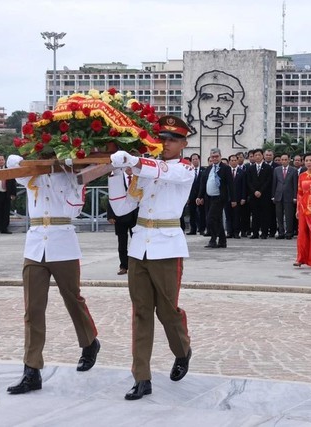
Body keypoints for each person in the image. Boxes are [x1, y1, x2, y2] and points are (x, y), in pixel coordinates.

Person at [108, 115, 193, 401]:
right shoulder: (146, 169)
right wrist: (115, 173)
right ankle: (141, 377)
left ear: (183, 143)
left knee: (167, 310)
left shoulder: (184, 169)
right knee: (141, 312)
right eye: (162, 138)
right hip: (139, 247)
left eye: (172, 139)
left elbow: (162, 171)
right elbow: (122, 207)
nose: (166, 143)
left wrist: (133, 162)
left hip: (167, 248)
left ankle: (182, 351)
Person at [5, 152, 100, 395]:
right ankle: (31, 369)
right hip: (36, 245)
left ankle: (90, 342)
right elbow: (11, 162)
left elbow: (76, 209)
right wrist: (33, 163)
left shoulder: (71, 175)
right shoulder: (30, 174)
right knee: (33, 309)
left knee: (73, 298)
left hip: (63, 243)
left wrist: (69, 173)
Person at [197, 147, 234, 249]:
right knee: (217, 219)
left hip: (220, 197)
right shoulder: (208, 169)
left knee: (210, 218)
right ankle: (222, 241)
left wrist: (233, 199)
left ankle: (213, 239)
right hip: (209, 197)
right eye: (212, 157)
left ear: (220, 157)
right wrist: (200, 196)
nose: (214, 158)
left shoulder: (225, 168)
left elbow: (230, 184)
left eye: (216, 156)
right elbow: (203, 184)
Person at [107, 167, 138, 274]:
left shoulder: (139, 178)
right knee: (122, 243)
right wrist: (110, 215)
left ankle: (136, 265)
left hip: (136, 216)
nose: (130, 169)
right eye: (127, 166)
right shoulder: (117, 178)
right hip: (120, 216)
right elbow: (111, 195)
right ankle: (124, 266)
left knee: (137, 242)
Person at [246, 148, 273, 239]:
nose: (257, 157)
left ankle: (264, 233)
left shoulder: (268, 168)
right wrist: (254, 191)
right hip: (253, 195)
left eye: (259, 155)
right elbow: (248, 182)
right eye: (255, 155)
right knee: (254, 215)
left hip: (264, 195)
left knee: (264, 214)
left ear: (262, 156)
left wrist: (260, 191)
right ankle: (255, 233)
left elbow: (268, 181)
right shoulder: (250, 168)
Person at [272, 153, 297, 239]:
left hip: (289, 196)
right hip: (278, 196)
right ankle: (281, 233)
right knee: (279, 216)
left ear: (289, 160)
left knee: (289, 215)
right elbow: (274, 183)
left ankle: (289, 233)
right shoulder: (276, 170)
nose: (284, 161)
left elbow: (295, 184)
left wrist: (295, 197)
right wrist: (273, 195)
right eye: (282, 160)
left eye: (286, 159)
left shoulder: (293, 170)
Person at [226, 154, 246, 238]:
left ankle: (236, 232)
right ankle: (229, 232)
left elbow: (244, 186)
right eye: (232, 160)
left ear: (237, 161)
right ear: (229, 162)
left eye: (235, 160)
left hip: (238, 198)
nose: (233, 162)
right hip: (227, 197)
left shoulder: (242, 172)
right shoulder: (226, 171)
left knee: (236, 216)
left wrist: (243, 197)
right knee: (228, 216)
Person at [186, 153, 206, 235]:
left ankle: (202, 229)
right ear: (191, 161)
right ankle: (193, 229)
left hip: (200, 195)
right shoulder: (188, 171)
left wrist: (202, 196)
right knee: (192, 213)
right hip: (191, 196)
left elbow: (204, 184)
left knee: (202, 213)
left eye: (196, 159)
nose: (195, 160)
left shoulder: (203, 170)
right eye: (193, 159)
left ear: (199, 160)